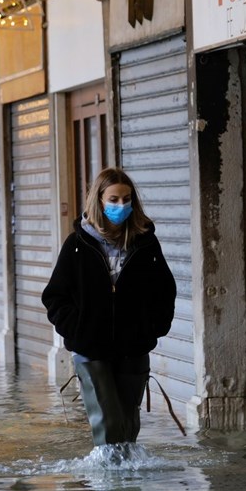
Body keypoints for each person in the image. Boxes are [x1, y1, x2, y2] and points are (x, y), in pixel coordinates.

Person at [41, 167, 176, 448]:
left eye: (126, 199)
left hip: (133, 348)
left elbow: (165, 291)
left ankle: (127, 486)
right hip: (91, 349)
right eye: (113, 199)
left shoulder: (145, 243)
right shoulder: (78, 244)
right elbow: (55, 296)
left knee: (128, 427)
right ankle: (108, 485)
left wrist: (151, 330)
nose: (121, 205)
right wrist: (78, 333)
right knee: (109, 425)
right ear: (99, 200)